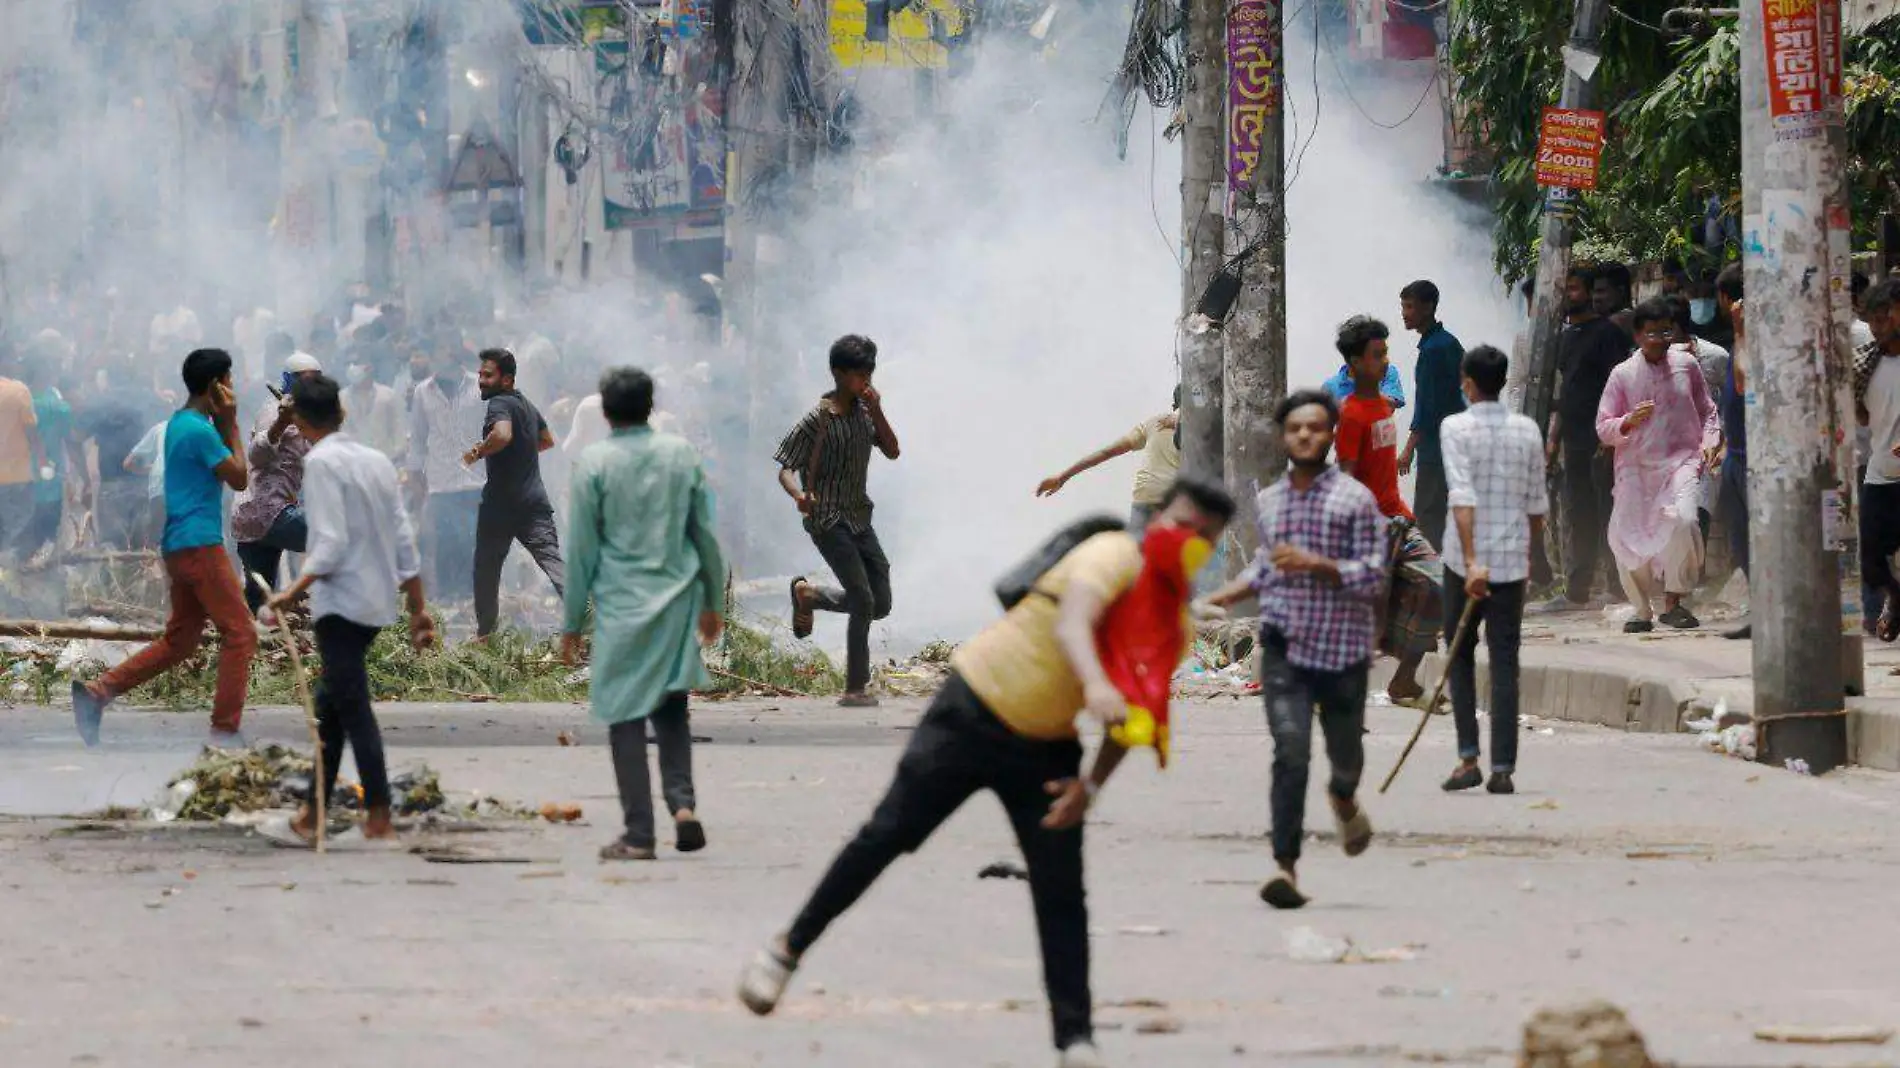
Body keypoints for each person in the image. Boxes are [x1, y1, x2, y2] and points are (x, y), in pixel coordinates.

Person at [738, 478, 1237, 1068]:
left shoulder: (1172, 625)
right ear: (1155, 520)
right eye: (1180, 524)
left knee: (1061, 889)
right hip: (971, 709)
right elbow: (1075, 621)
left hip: (1047, 749)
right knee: (888, 833)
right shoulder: (1109, 555)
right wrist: (1097, 683)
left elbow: (1138, 715)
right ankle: (785, 951)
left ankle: (1075, 1040)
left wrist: (1092, 787)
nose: (1186, 540)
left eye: (1202, 537)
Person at [1206, 390, 1384, 910]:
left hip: (1343, 650)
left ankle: (1344, 798)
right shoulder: (1269, 501)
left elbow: (1373, 574)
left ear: (1330, 435)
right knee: (1290, 752)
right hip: (1285, 648)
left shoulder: (1355, 500)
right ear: (1284, 437)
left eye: (1315, 428)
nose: (1305, 436)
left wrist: (1318, 565)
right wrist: (1225, 594)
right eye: (1295, 429)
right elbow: (1268, 564)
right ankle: (1285, 867)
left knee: (1344, 758)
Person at [261, 375, 435, 847]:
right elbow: (403, 536)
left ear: (299, 422)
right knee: (331, 708)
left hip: (341, 605)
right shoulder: (376, 461)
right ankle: (312, 815)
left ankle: (378, 818)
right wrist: (418, 608)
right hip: (375, 602)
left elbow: (330, 544)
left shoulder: (320, 464)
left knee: (351, 710)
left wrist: (289, 593)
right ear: (342, 413)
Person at [561, 367, 726, 861]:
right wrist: (713, 601)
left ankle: (638, 833)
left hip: (621, 605)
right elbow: (706, 537)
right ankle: (683, 806)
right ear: (650, 406)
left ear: (606, 412)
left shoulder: (594, 463)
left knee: (625, 715)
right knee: (672, 707)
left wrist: (571, 623)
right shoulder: (682, 456)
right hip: (677, 600)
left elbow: (582, 552)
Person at [72, 349, 256, 747]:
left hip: (179, 544)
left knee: (181, 641)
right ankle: (225, 731)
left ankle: (98, 693)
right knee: (241, 633)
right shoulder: (201, 431)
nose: (234, 389)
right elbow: (240, 478)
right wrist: (232, 423)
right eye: (230, 381)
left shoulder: (179, 423)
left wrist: (222, 421)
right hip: (200, 544)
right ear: (216, 386)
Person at [1438, 345, 1547, 795]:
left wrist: (1470, 563)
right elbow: (1537, 505)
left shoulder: (1455, 427)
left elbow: (1461, 497)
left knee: (1460, 658)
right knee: (1505, 662)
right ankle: (1502, 767)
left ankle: (1468, 758)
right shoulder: (1527, 430)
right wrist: (1530, 555)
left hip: (1464, 564)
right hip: (1510, 564)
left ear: (1467, 382)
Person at [777, 335, 902, 708]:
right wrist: (799, 495)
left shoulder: (867, 412)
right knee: (862, 598)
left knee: (880, 603)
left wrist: (878, 410)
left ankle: (809, 596)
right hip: (827, 518)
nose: (865, 379)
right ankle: (854, 687)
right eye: (858, 373)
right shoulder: (817, 418)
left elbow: (893, 451)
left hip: (860, 515)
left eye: (869, 372)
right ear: (838, 373)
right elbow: (786, 469)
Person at [1596, 299, 1719, 633]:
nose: (1660, 339)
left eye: (1666, 331)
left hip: (1681, 463)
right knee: (1626, 533)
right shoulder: (1622, 375)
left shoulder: (1687, 366)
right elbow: (1603, 428)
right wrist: (1628, 421)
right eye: (1651, 333)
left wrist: (1710, 444)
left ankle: (1674, 600)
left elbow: (1707, 409)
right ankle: (1641, 608)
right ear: (1638, 335)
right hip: (1635, 468)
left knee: (1685, 521)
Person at [1332, 316, 1435, 704]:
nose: (1385, 360)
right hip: (1370, 527)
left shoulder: (1383, 407)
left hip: (1398, 518)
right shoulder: (1352, 414)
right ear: (1356, 363)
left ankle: (1404, 679)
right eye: (1377, 355)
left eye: (1386, 352)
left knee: (1435, 585)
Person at [1542, 264, 1631, 611]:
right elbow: (1568, 394)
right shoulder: (1566, 337)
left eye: (1575, 289)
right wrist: (1554, 440)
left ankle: (1618, 587)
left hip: (1602, 443)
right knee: (1579, 515)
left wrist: (1610, 440)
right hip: (1574, 441)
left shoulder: (1606, 334)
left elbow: (1618, 388)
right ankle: (1577, 591)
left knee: (1608, 513)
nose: (1568, 296)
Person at [464, 348, 565, 638]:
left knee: (486, 570)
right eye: (480, 374)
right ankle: (590, 619)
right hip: (534, 502)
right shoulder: (527, 405)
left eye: (488, 375)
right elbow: (546, 441)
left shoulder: (499, 403)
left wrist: (475, 453)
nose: (481, 380)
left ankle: (486, 636)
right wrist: (518, 452)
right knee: (552, 562)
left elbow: (503, 435)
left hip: (501, 506)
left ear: (506, 380)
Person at [233, 352, 323, 613]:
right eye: (305, 380)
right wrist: (282, 422)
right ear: (289, 381)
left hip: (254, 518)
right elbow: (257, 455)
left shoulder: (308, 416)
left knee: (258, 603)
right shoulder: (274, 410)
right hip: (268, 511)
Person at [407, 333, 486, 601]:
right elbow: (417, 440)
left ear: (455, 352)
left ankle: (474, 600)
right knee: (445, 545)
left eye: (444, 350)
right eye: (435, 351)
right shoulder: (422, 392)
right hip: (441, 483)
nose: (439, 357)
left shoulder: (479, 387)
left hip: (478, 480)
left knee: (474, 543)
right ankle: (449, 604)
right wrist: (416, 479)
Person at [1035, 389, 1181, 533]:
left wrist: (1063, 476)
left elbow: (1106, 452)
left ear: (1174, 405)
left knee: (1136, 552)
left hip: (1145, 498)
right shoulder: (1197, 425)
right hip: (1176, 502)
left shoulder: (1155, 423)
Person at [1396, 280, 1467, 552]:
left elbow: (1428, 407)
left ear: (1428, 307)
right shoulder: (1446, 343)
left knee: (1427, 518)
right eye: (1403, 306)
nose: (1404, 313)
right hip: (1454, 442)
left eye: (1410, 306)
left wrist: (1408, 449)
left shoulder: (1434, 349)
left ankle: (1433, 584)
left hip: (1436, 449)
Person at [1710, 267, 1754, 640]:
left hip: (1754, 459)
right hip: (1736, 454)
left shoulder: (1752, 339)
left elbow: (1742, 385)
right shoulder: (1737, 341)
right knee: (1742, 543)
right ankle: (1761, 612)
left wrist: (1741, 330)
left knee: (1756, 540)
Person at [1854, 280, 1900, 640]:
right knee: (1870, 561)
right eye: (1873, 321)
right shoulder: (1865, 363)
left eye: (1884, 319)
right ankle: (1894, 598)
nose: (1878, 328)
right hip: (1881, 474)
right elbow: (1865, 417)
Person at [77, 375, 167, 550]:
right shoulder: (153, 400)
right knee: (145, 547)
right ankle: (138, 576)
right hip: (147, 484)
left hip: (111, 484)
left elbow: (76, 436)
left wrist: (84, 477)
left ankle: (117, 575)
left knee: (113, 546)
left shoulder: (101, 402)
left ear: (109, 378)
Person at [17, 350, 73, 558]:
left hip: (28, 476)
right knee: (43, 529)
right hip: (44, 475)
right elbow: (69, 433)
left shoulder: (23, 397)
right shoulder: (54, 404)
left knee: (29, 529)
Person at [0, 348, 47, 558]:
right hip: (16, 478)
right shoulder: (18, 390)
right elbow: (32, 432)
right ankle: (9, 579)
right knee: (16, 531)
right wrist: (44, 461)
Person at [343, 346, 407, 462]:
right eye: (348, 363)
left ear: (370, 367)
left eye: (356, 363)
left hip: (386, 460)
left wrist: (395, 455)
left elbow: (399, 429)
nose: (351, 367)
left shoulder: (388, 395)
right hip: (352, 463)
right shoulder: (340, 398)